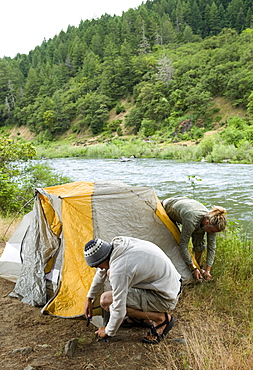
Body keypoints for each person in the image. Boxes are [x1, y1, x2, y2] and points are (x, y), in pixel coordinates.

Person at [83, 236, 182, 344]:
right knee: (109, 273)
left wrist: (107, 331)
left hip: (165, 298)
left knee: (106, 301)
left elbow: (119, 309)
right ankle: (142, 319)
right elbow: (101, 272)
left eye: (98, 266)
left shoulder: (119, 269)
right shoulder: (118, 246)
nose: (100, 268)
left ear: (103, 258)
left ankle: (161, 319)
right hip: (171, 286)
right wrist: (89, 298)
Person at [162, 196, 227, 281]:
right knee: (175, 239)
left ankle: (198, 266)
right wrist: (193, 268)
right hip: (169, 205)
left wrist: (208, 271)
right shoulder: (191, 220)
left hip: (187, 207)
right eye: (212, 231)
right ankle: (193, 268)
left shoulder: (212, 224)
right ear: (207, 223)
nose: (212, 233)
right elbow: (183, 245)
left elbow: (211, 248)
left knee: (199, 243)